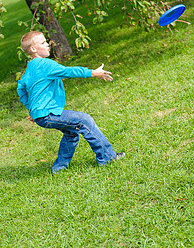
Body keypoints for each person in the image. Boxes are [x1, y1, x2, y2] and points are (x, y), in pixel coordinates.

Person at [17, 31, 125, 173]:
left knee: (71, 133)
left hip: (41, 116)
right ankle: (108, 157)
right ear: (33, 49)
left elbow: (21, 90)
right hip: (47, 115)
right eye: (43, 42)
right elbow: (68, 71)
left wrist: (33, 110)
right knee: (84, 120)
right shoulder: (45, 65)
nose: (48, 44)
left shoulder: (29, 69)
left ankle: (59, 168)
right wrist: (92, 72)